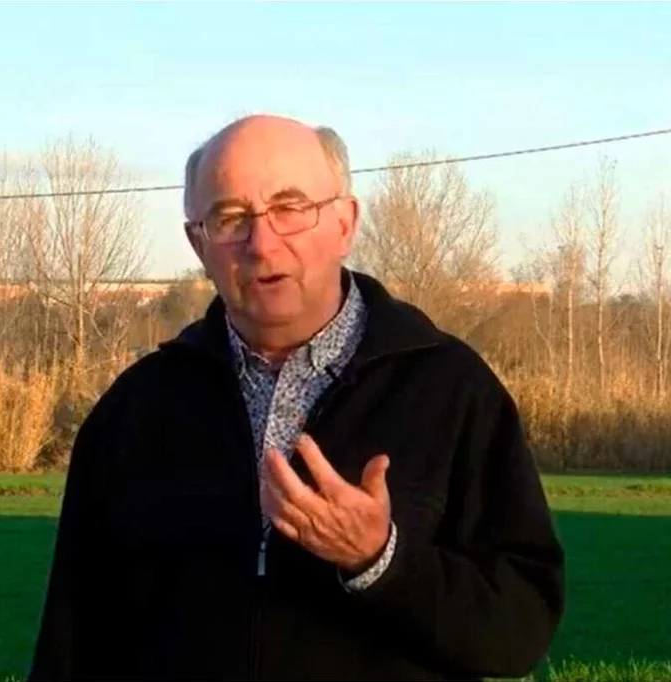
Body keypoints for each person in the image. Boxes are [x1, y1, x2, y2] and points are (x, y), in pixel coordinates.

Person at [28, 114, 565, 681]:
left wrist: (379, 560)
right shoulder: (134, 412)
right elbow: (73, 641)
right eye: (230, 217)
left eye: (290, 208)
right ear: (198, 243)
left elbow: (519, 630)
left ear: (344, 223)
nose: (262, 243)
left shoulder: (451, 391)